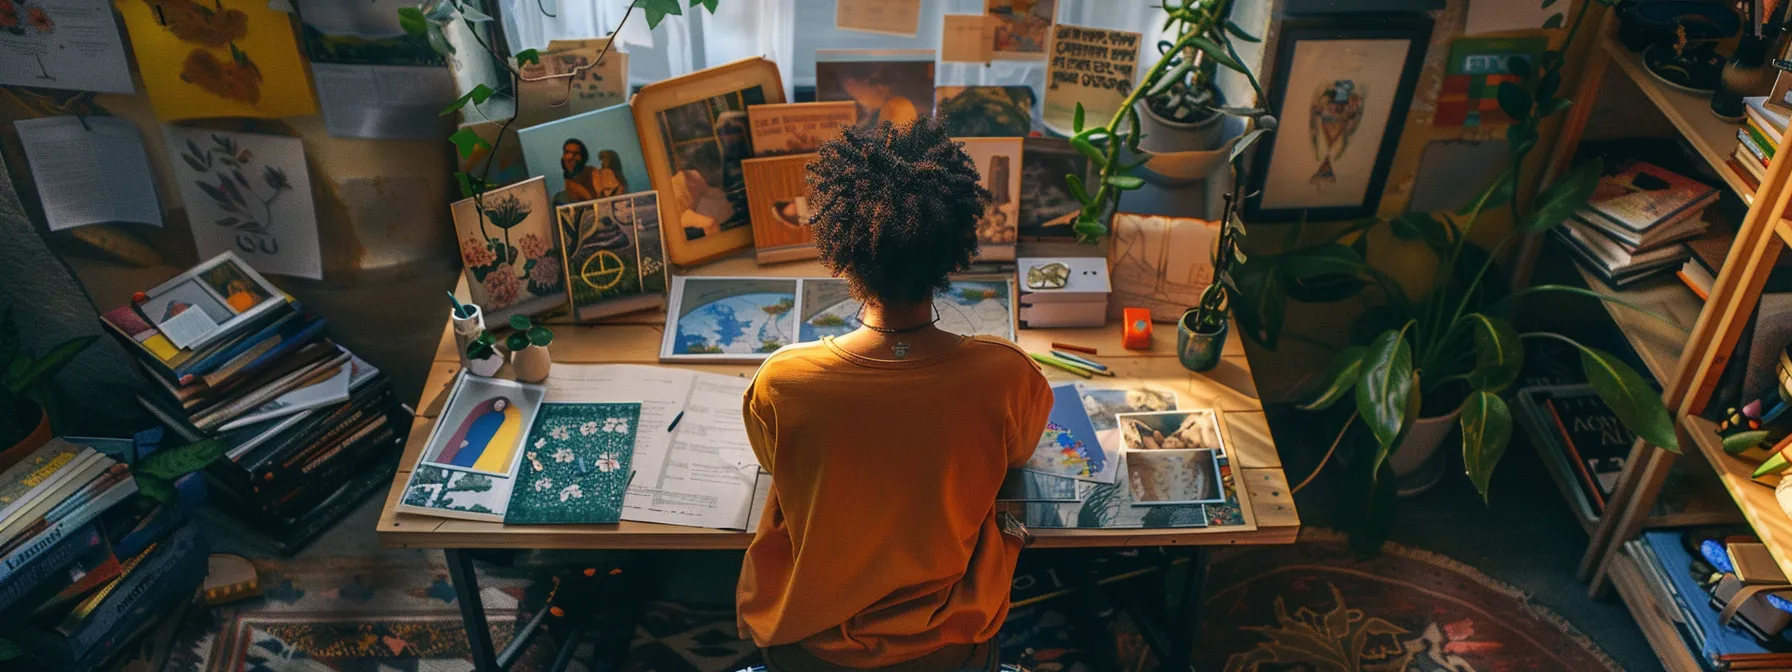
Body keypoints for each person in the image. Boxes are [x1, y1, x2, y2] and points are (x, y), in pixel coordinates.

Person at [736, 117, 1054, 672]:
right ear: (957, 248)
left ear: (838, 251)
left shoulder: (782, 380)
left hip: (807, 648)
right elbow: (1018, 458)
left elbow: (775, 466)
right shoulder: (1006, 375)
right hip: (946, 649)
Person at [557, 139, 626, 204]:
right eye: (567, 152)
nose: (570, 157)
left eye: (576, 154)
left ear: (583, 157)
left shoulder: (603, 175)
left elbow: (619, 200)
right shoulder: (568, 184)